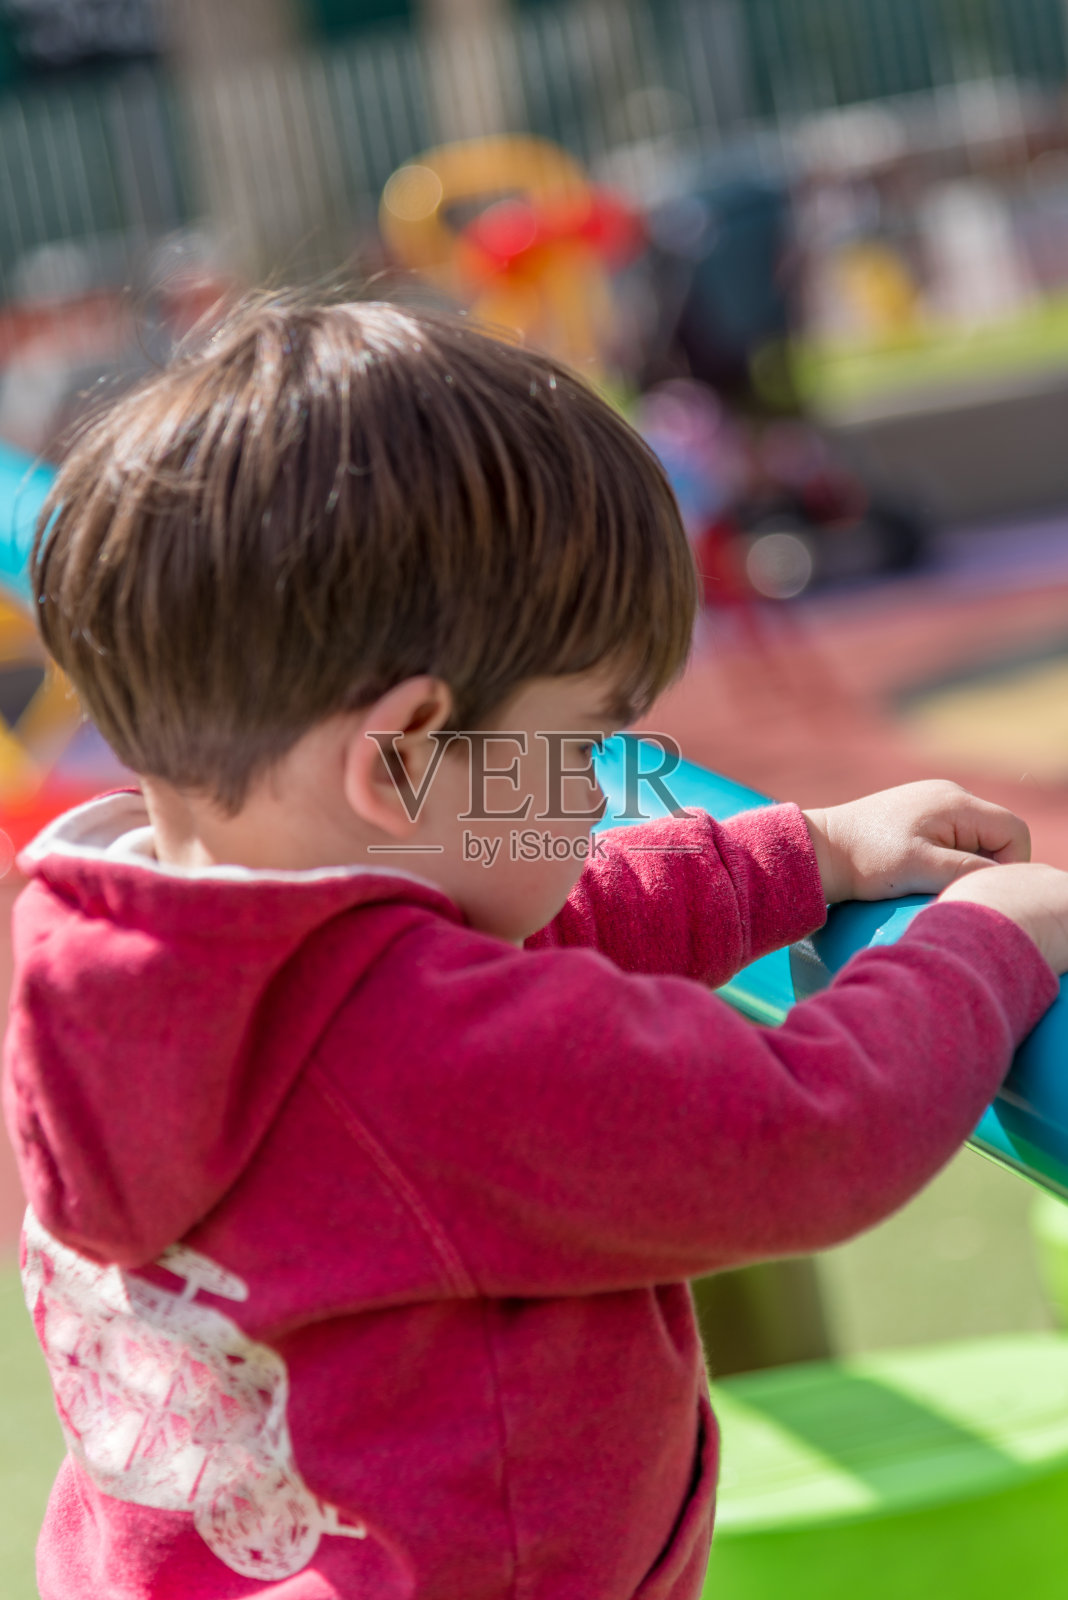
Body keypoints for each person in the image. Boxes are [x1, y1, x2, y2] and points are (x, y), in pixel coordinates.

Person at [5, 293, 1068, 1600]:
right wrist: (981, 949)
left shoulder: (133, 958)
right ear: (401, 751)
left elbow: (529, 947)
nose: (594, 797)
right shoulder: (411, 1055)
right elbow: (800, 1134)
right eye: (577, 755)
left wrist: (806, 859)